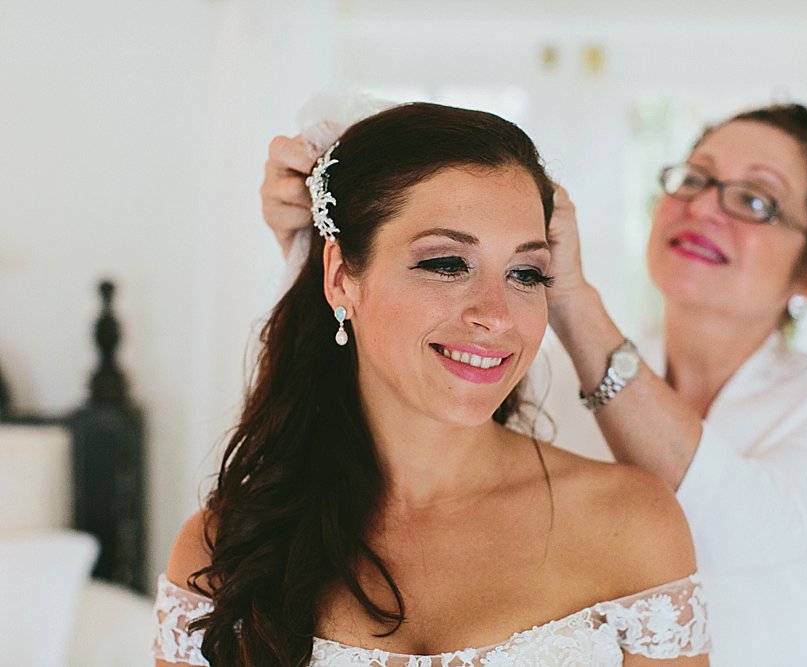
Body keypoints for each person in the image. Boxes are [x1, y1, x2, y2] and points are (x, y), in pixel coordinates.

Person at [260, 101, 807, 667]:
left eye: (754, 200)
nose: (704, 207)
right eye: (695, 178)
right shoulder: (542, 381)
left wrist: (569, 296)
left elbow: (738, 530)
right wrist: (330, 218)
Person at [155, 102, 711, 667]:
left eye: (526, 273)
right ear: (342, 277)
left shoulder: (633, 525)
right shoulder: (220, 555)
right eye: (447, 263)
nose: (496, 316)